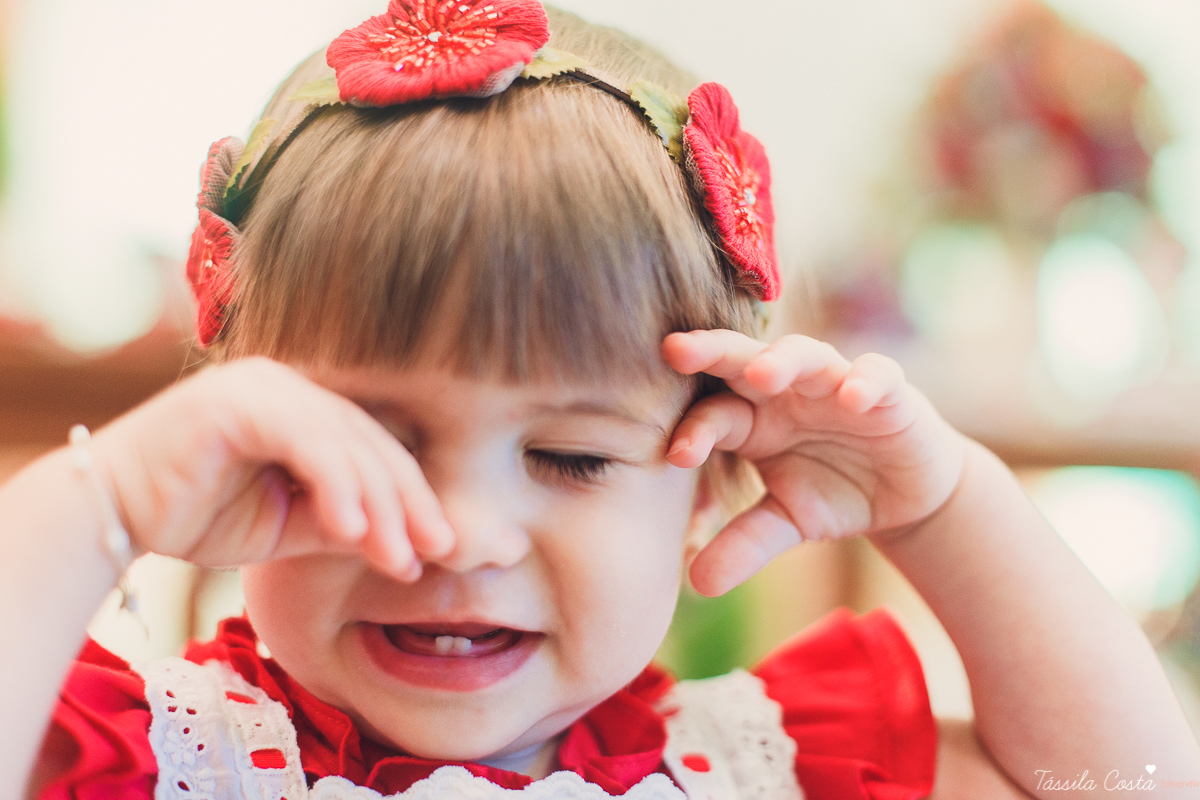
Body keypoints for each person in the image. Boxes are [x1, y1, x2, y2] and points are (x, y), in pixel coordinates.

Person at [3, 2, 1198, 798]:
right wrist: (97, 500)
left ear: (709, 471)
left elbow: (1128, 783)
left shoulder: (751, 766)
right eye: (364, 441)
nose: (460, 529)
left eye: (572, 456)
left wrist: (943, 506)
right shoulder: (160, 752)